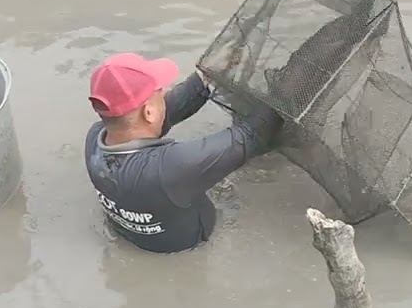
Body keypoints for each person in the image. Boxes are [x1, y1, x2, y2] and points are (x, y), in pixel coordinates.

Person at [84, 52, 283, 253]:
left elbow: (160, 116)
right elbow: (252, 134)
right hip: (192, 249)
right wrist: (290, 84)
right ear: (149, 112)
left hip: (135, 236)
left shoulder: (95, 139)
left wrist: (208, 77)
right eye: (160, 92)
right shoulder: (168, 168)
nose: (166, 92)